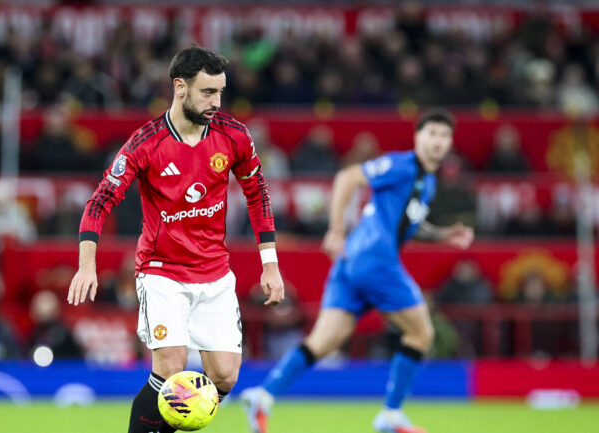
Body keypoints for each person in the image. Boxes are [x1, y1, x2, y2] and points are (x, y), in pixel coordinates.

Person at [67, 46, 285, 433]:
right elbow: (100, 200)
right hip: (162, 272)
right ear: (179, 87)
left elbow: (258, 194)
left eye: (220, 92)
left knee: (224, 378)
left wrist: (270, 264)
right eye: (207, 92)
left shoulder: (233, 135)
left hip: (215, 274)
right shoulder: (146, 143)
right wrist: (87, 264)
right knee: (170, 369)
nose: (217, 102)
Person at [241, 109, 474, 433]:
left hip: (350, 265)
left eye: (443, 135)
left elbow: (410, 225)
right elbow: (347, 177)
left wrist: (444, 234)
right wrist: (336, 230)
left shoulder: (428, 182)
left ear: (450, 143)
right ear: (418, 137)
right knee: (421, 333)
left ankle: (263, 396)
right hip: (374, 260)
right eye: (431, 133)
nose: (437, 141)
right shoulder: (402, 164)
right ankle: (391, 414)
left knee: (322, 341)